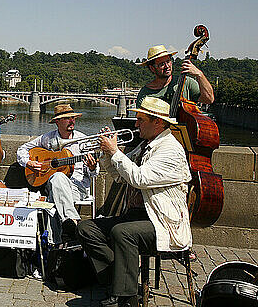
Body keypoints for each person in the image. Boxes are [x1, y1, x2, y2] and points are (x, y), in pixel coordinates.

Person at [77, 97, 192, 307]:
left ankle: (126, 299)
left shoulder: (170, 149)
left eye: (140, 119)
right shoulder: (146, 145)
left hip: (163, 222)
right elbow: (121, 176)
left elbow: (140, 179)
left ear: (157, 122)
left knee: (123, 232)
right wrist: (106, 155)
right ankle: (117, 279)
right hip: (140, 214)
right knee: (87, 228)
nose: (135, 124)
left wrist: (114, 152)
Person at [16, 104, 98, 245]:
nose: (72, 121)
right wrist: (29, 163)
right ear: (57, 122)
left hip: (77, 188)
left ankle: (55, 244)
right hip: (54, 185)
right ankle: (70, 224)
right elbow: (22, 149)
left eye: (73, 118)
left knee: (52, 203)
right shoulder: (48, 139)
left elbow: (94, 173)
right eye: (67, 119)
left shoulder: (84, 141)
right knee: (58, 178)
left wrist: (92, 166)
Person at [136, 45, 214, 107]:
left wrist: (199, 75)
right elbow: (142, 122)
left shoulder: (186, 82)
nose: (167, 66)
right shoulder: (145, 93)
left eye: (168, 61)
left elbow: (209, 99)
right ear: (152, 68)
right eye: (162, 64)